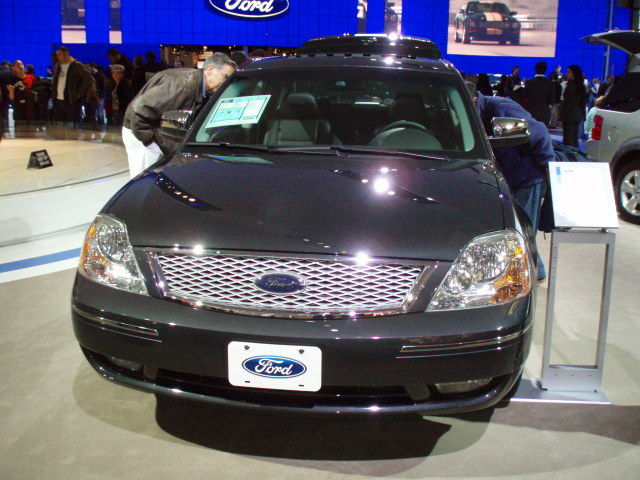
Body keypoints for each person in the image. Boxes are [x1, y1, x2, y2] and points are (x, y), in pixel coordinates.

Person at [466, 81, 552, 281]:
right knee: (515, 230)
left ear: (474, 99)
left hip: (528, 178)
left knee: (522, 231)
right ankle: (535, 270)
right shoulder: (476, 113)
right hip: (506, 179)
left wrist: (548, 169)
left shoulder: (501, 108)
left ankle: (530, 276)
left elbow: (539, 132)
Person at [122, 52, 237, 177]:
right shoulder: (183, 84)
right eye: (225, 77)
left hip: (156, 136)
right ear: (210, 70)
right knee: (145, 181)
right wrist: (148, 141)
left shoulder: (198, 88)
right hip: (141, 135)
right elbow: (138, 109)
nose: (226, 83)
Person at [52, 46, 95, 123]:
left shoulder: (77, 65)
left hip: (71, 100)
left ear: (66, 54)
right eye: (57, 54)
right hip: (58, 100)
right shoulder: (58, 66)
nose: (57, 57)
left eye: (59, 54)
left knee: (72, 123)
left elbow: (89, 80)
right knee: (60, 123)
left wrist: (79, 93)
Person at [560, 65, 587, 147]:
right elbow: (583, 102)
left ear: (573, 73)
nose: (567, 73)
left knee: (568, 139)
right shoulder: (581, 86)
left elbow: (568, 102)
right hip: (577, 114)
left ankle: (569, 153)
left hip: (569, 114)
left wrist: (562, 117)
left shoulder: (571, 86)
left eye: (568, 72)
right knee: (575, 137)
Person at [524, 61, 555, 126]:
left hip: (531, 113)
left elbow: (524, 96)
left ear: (535, 69)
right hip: (544, 113)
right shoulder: (550, 83)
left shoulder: (529, 82)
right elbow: (552, 101)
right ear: (545, 70)